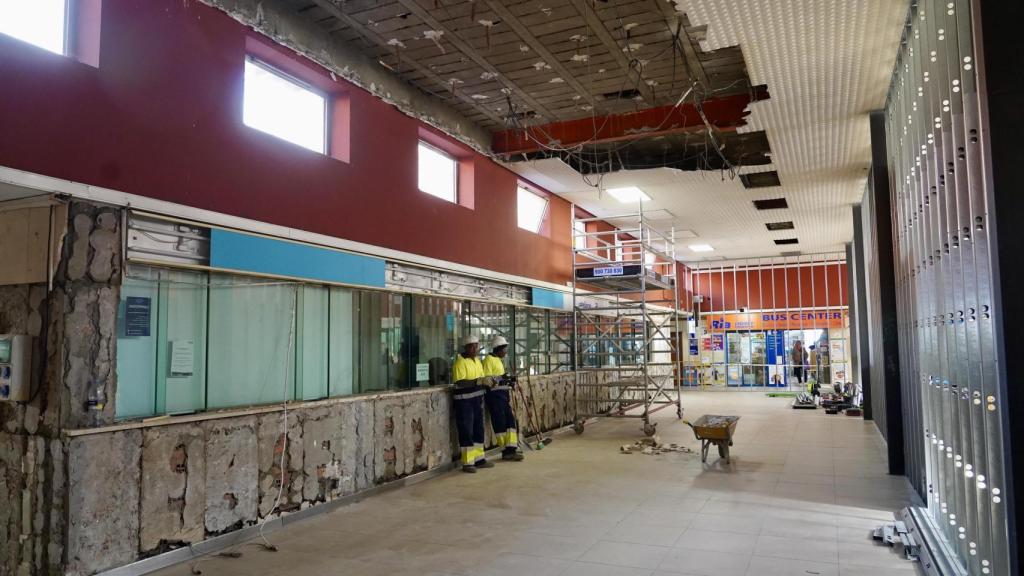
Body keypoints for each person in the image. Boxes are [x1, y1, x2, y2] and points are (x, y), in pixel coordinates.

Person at [451, 334, 494, 473]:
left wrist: (489, 382)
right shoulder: (460, 362)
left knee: (478, 429)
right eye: (473, 347)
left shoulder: (477, 361)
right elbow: (460, 383)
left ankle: (479, 459)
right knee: (466, 430)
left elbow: (480, 380)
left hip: (477, 401)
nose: (476, 349)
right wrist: (479, 381)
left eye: (477, 346)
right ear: (466, 347)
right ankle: (468, 462)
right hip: (464, 402)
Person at [483, 336, 524, 462]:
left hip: (503, 396)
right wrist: (503, 379)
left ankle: (512, 448)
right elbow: (487, 380)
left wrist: (509, 380)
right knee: (500, 423)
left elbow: (499, 377)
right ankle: (506, 451)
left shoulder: (498, 360)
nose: (505, 352)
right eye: (504, 349)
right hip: (494, 397)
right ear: (498, 348)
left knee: (510, 421)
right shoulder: (488, 360)